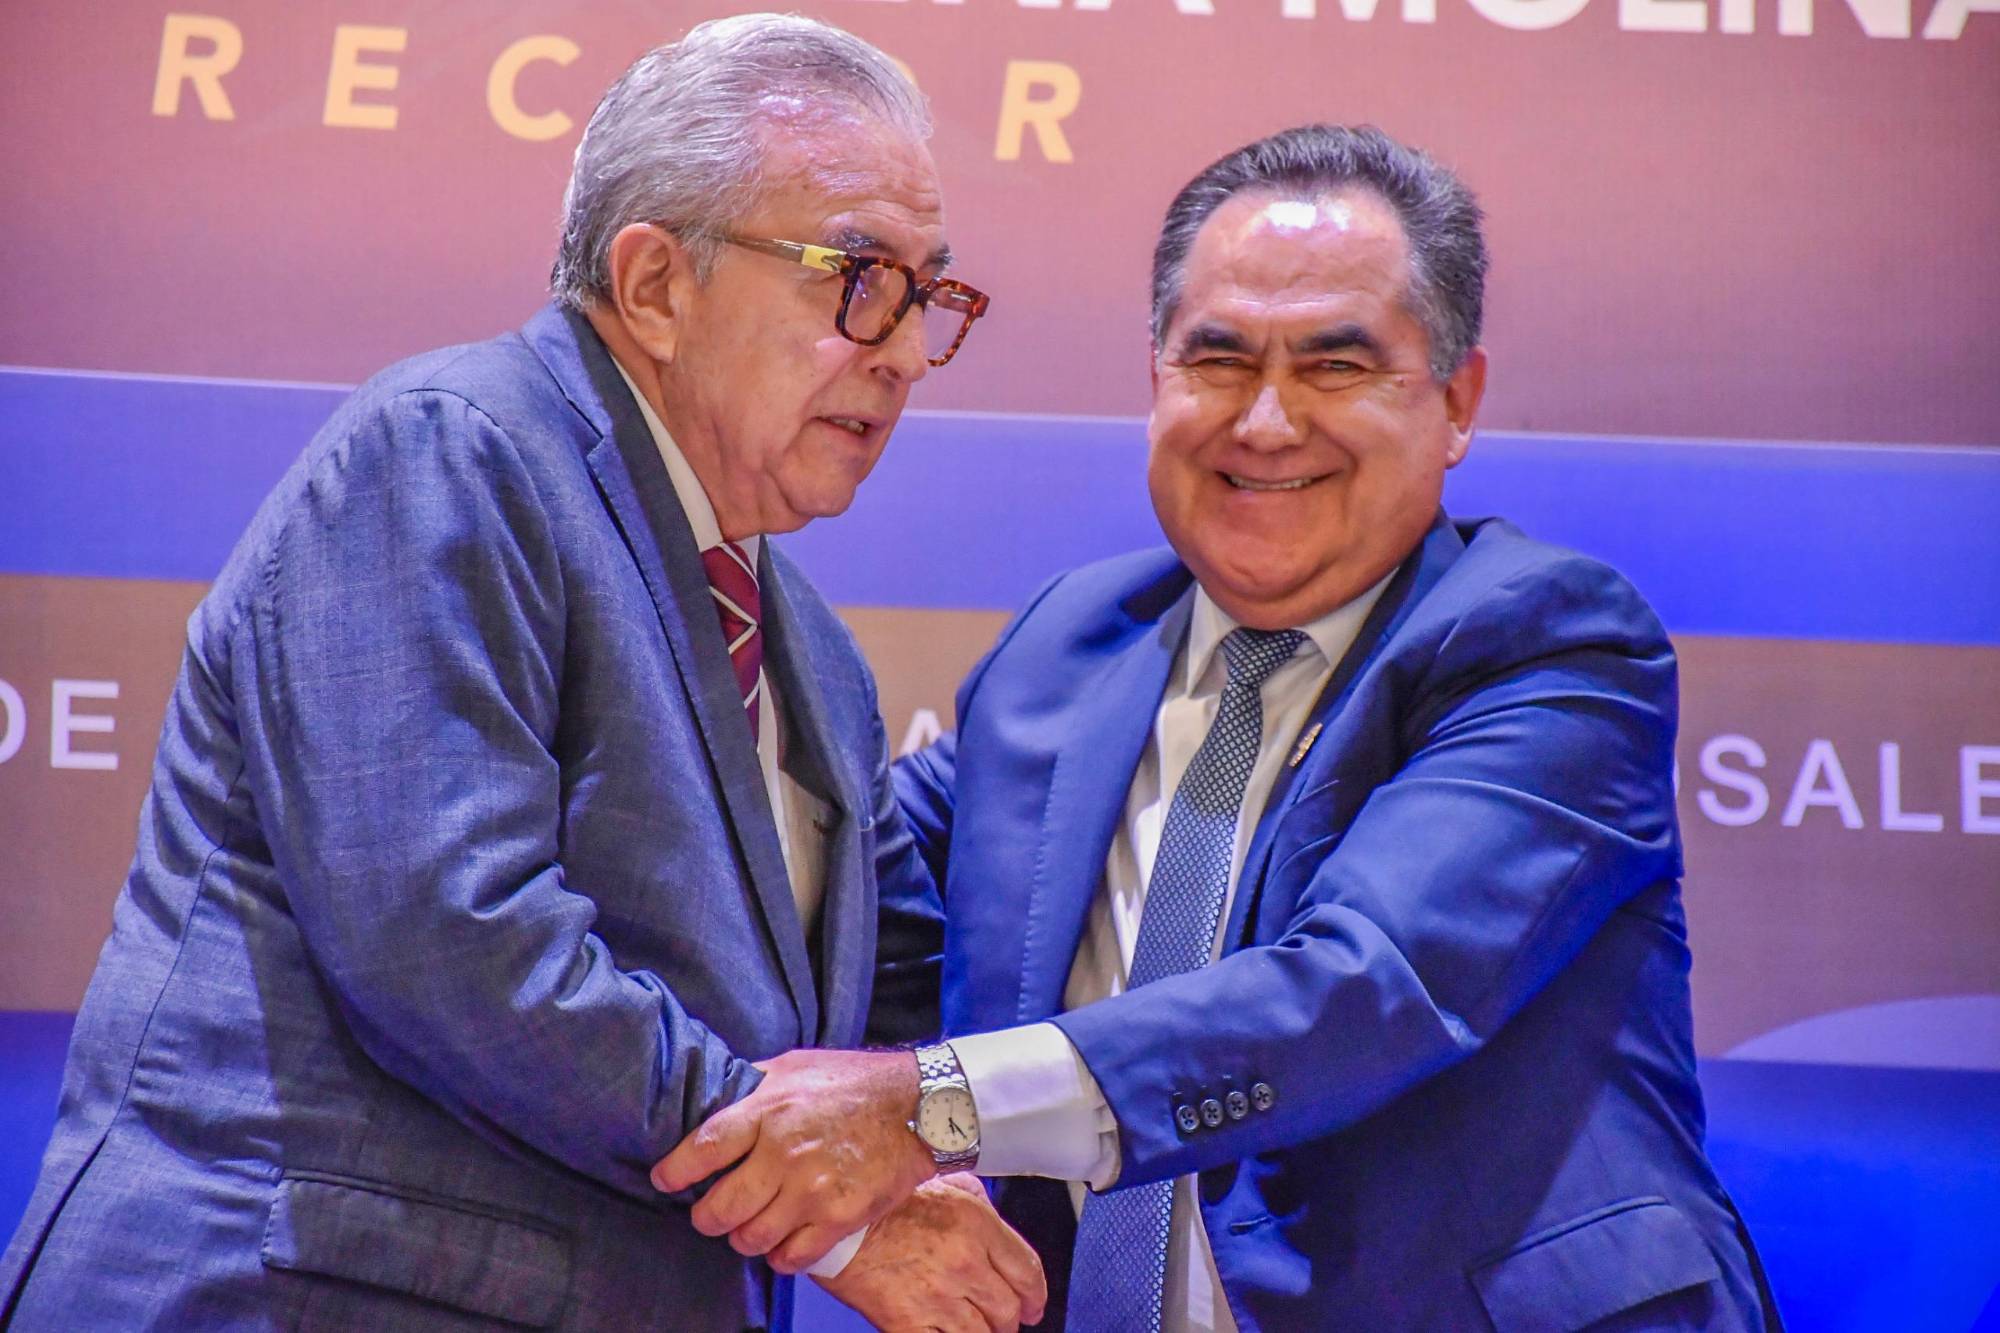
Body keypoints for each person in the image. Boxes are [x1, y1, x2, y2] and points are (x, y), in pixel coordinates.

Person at [0, 15, 1043, 1331]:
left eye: (928, 294)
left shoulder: (817, 660)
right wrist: (830, 1209)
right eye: (859, 277)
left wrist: (955, 1130)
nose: (898, 348)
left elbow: (898, 995)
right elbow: (454, 943)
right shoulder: (447, 452)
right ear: (655, 284)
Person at [667, 124, 1782, 1330]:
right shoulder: (1067, 646)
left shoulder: (1545, 641)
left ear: (1455, 402)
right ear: (1155, 378)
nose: (1264, 421)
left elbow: (1360, 992)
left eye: (1334, 365)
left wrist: (924, 1110)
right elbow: (835, 894)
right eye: (1217, 359)